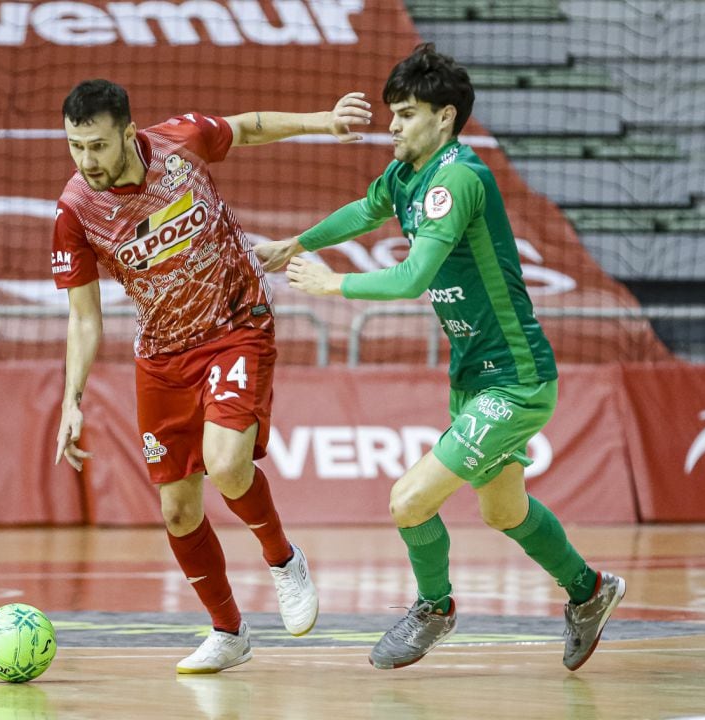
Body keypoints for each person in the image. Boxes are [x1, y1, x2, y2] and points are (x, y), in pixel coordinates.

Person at [256, 44, 626, 672]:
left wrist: (331, 284)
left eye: (405, 114)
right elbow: (365, 210)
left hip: (514, 379)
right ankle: (590, 592)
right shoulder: (406, 172)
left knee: (409, 500)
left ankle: (435, 607)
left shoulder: (456, 178)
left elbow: (410, 277)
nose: (392, 126)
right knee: (504, 509)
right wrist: (298, 241)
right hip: (473, 375)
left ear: (445, 117)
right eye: (391, 113)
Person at [51, 79, 372, 674]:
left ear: (127, 132)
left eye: (97, 145)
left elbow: (247, 126)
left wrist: (323, 120)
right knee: (178, 510)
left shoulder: (181, 143)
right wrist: (72, 401)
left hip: (235, 324)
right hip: (161, 355)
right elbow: (83, 318)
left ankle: (283, 560)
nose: (86, 160)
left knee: (226, 463)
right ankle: (229, 632)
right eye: (75, 146)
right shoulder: (75, 210)